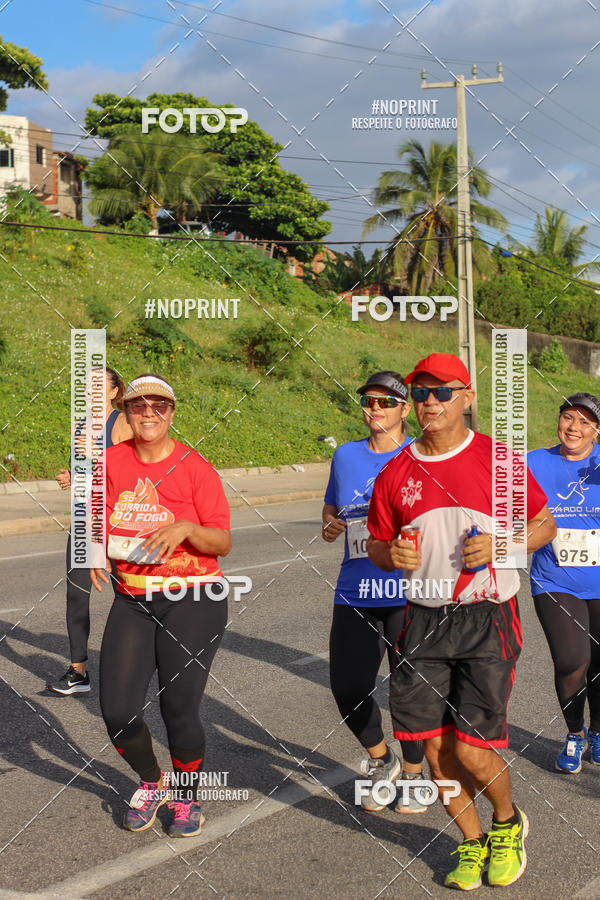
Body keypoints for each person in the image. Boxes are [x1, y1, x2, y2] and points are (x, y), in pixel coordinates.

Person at [366, 352, 556, 891]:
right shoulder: (395, 472)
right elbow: (379, 545)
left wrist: (504, 544)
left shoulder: (498, 462)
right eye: (420, 393)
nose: (429, 402)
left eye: (441, 392)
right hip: (420, 621)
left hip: (487, 616)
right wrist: (390, 556)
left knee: (474, 746)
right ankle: (471, 844)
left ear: (467, 398)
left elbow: (544, 525)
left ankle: (506, 824)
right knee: (434, 748)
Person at [90, 374, 231, 837]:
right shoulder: (109, 462)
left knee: (178, 707)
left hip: (193, 598)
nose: (149, 413)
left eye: (160, 406)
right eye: (138, 405)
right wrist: (90, 551)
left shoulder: (195, 467)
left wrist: (186, 528)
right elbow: (92, 515)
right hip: (132, 600)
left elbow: (222, 540)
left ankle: (187, 798)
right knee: (117, 712)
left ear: (172, 413)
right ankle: (153, 782)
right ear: (125, 412)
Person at [322, 372, 427, 814]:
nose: (376, 409)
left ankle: (417, 773)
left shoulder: (421, 455)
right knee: (347, 686)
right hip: (356, 589)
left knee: (412, 691)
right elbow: (332, 506)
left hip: (411, 592)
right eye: (369, 400)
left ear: (405, 409)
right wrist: (329, 523)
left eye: (387, 402)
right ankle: (383, 761)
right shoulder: (345, 456)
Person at [47, 366, 132, 695]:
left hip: (117, 522)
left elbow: (131, 471)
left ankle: (150, 658)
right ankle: (78, 671)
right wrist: (72, 477)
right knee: (76, 594)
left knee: (131, 595)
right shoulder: (80, 425)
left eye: (99, 387)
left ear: (114, 392)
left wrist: (96, 458)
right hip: (86, 519)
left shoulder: (122, 422)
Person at [527, 392, 600, 774]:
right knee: (573, 658)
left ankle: (599, 732)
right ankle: (575, 733)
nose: (574, 427)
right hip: (555, 579)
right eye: (568, 417)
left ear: (597, 431)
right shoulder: (535, 462)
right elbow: (503, 504)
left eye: (585, 422)